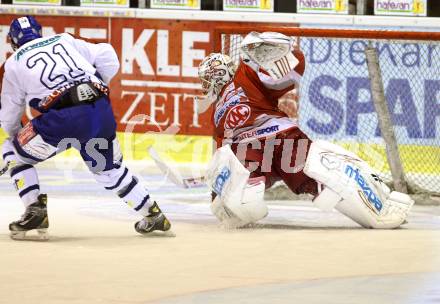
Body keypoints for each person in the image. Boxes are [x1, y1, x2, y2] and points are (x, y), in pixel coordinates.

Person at [198, 31, 414, 229]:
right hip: (282, 138)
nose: (207, 84)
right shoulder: (244, 74)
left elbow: (223, 156)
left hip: (249, 151)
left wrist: (218, 196)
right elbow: (290, 71)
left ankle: (245, 195)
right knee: (318, 181)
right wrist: (286, 55)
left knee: (246, 193)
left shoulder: (217, 111)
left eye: (207, 79)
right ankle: (378, 210)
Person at [0, 16, 173, 240]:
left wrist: (16, 138)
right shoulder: (64, 39)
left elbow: (10, 111)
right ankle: (153, 214)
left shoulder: (12, 63)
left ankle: (35, 210)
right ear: (40, 32)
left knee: (13, 152)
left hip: (62, 120)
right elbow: (109, 56)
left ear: (13, 41)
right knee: (109, 170)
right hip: (99, 111)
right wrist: (93, 88)